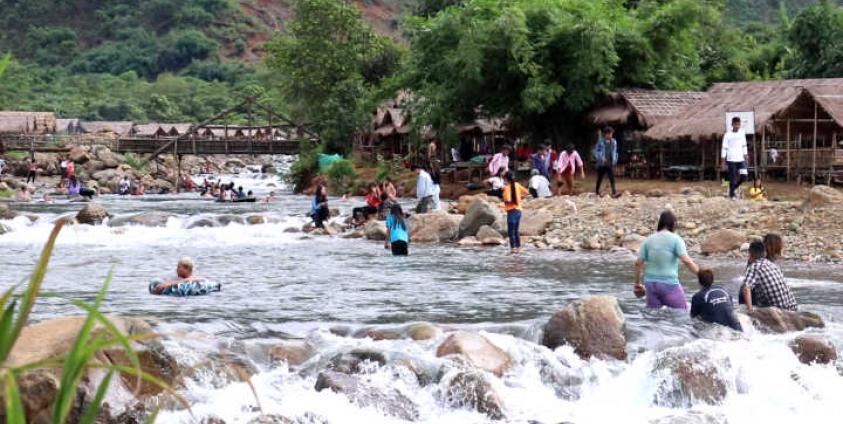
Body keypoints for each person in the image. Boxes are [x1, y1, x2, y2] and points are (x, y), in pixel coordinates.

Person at [633, 211, 700, 310]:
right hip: (669, 284)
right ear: (673, 224)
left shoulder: (648, 240)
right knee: (683, 312)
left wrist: (637, 284)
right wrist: (701, 274)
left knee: (654, 316)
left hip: (650, 285)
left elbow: (638, 263)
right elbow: (687, 261)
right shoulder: (676, 239)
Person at [740, 241, 797, 312]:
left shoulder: (754, 267)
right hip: (792, 307)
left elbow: (746, 288)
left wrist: (750, 310)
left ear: (750, 254)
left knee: (743, 289)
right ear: (765, 253)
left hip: (779, 311)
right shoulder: (773, 265)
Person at [721, 116, 748, 200]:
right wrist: (723, 161)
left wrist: (746, 156)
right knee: (732, 178)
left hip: (740, 159)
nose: (737, 126)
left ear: (740, 125)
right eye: (735, 124)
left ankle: (732, 189)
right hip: (731, 159)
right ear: (732, 124)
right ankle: (732, 195)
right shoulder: (727, 134)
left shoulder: (742, 133)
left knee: (744, 176)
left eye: (738, 124)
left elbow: (744, 145)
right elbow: (724, 147)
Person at [502, 171, 529, 253]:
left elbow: (507, 199)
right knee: (516, 230)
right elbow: (526, 192)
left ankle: (513, 248)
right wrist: (519, 197)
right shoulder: (517, 185)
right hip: (518, 210)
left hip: (511, 211)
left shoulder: (507, 188)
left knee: (511, 231)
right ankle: (518, 247)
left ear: (506, 179)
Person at [593, 126, 619, 197]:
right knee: (599, 178)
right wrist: (601, 157)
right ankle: (597, 191)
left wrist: (615, 159)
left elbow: (614, 151)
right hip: (601, 164)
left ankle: (614, 192)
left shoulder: (614, 142)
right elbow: (595, 151)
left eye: (611, 134)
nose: (610, 135)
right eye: (609, 134)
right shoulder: (600, 141)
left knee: (612, 178)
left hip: (610, 163)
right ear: (606, 134)